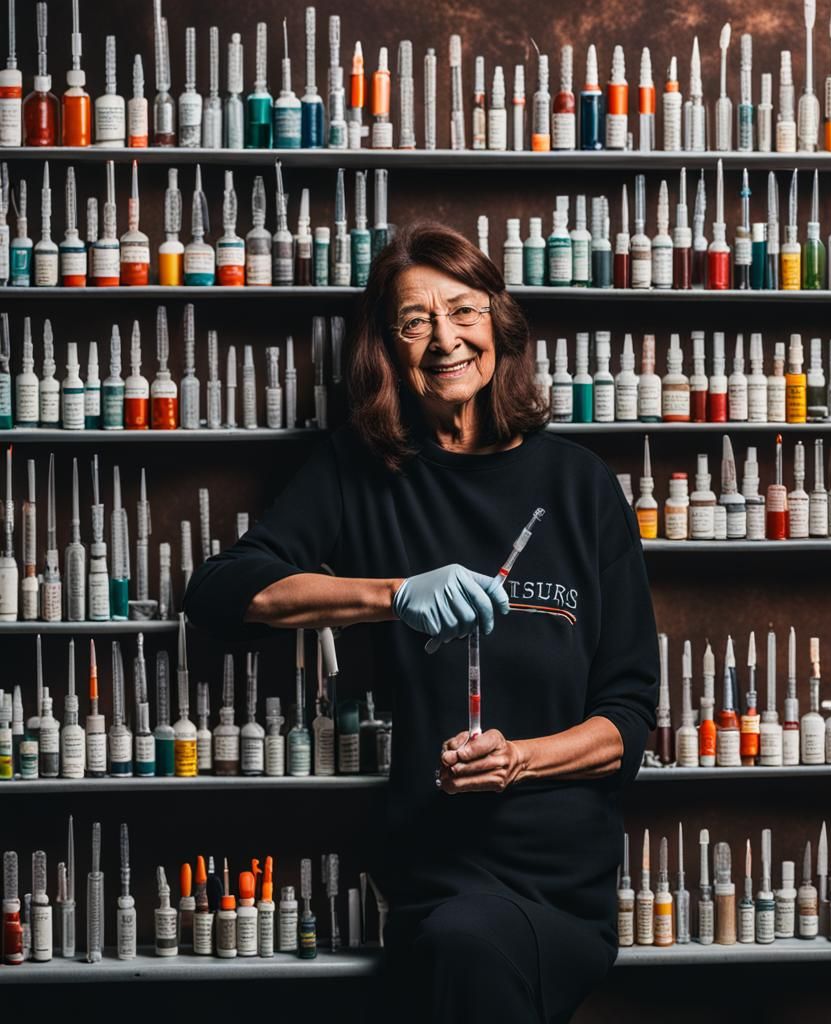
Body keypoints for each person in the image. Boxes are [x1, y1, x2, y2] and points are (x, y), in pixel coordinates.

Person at [183, 222, 658, 1023]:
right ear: (387, 348)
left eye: (464, 311)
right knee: (462, 944)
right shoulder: (360, 474)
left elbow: (628, 720)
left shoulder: (581, 487)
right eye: (415, 322)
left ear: (499, 325)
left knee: (471, 955)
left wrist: (517, 761)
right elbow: (223, 595)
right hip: (435, 865)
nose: (446, 340)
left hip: (564, 876)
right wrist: (393, 593)